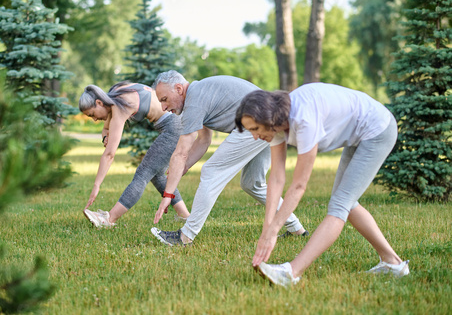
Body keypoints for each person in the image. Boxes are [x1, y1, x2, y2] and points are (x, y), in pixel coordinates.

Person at [234, 83, 409, 287]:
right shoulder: (276, 124)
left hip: (377, 129)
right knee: (347, 203)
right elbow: (277, 178)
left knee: (340, 205)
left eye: (255, 129)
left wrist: (274, 231)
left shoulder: (303, 119)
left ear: (268, 118)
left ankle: (291, 273)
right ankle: (393, 263)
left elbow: (299, 186)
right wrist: (267, 229)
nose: (255, 136)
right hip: (360, 134)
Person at [150, 70, 308, 246]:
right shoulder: (200, 94)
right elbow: (204, 140)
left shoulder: (194, 100)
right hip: (270, 119)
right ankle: (297, 230)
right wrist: (183, 167)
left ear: (179, 89)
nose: (164, 108)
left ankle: (185, 236)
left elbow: (181, 152)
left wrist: (168, 195)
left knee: (211, 171)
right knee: (252, 184)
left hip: (257, 122)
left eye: (164, 99)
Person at [79, 82, 190, 227]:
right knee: (156, 175)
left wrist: (96, 185)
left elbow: (109, 155)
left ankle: (109, 219)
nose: (94, 119)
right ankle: (186, 216)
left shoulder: (119, 107)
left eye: (92, 114)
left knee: (143, 174)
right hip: (176, 122)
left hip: (173, 127)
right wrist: (106, 128)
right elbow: (109, 117)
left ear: (99, 102)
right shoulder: (116, 91)